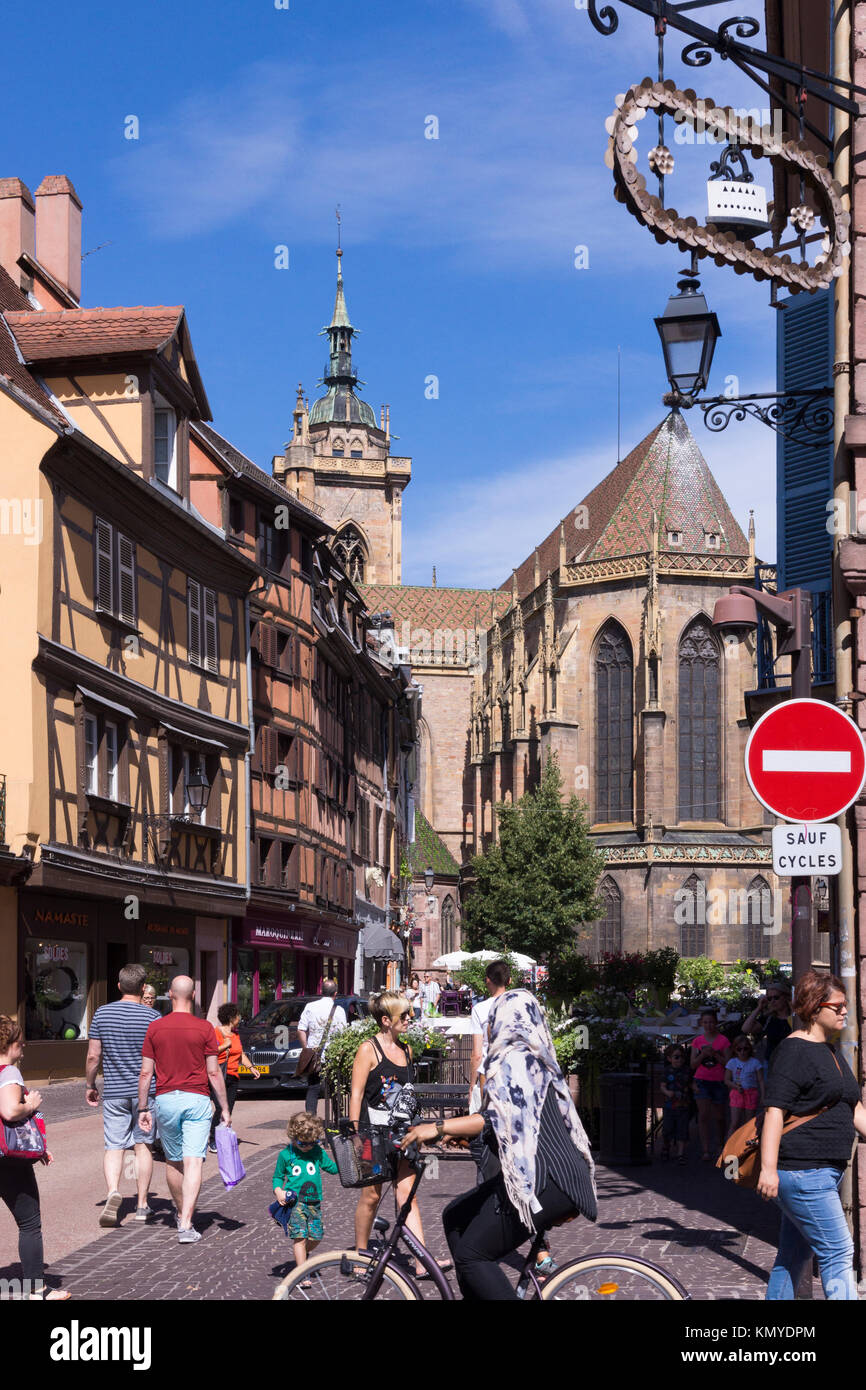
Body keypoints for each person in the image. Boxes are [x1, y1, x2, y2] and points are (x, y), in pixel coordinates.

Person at [402, 989, 597, 1301]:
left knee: (472, 1254)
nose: (490, 1027)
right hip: (549, 1178)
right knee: (455, 1216)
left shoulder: (518, 1060)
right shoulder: (534, 1057)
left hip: (549, 1182)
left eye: (493, 1020)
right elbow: (513, 1124)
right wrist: (455, 1133)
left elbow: (493, 1118)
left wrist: (436, 1127)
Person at [758, 971, 866, 1301]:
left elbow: (854, 1108)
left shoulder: (830, 1052)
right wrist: (768, 1169)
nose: (845, 1011)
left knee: (792, 1258)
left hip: (821, 1173)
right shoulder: (793, 1051)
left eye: (847, 1004)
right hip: (803, 1172)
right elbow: (774, 1111)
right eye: (839, 1005)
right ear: (814, 1007)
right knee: (838, 1251)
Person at [349, 990, 449, 1278]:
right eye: (403, 1015)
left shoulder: (407, 1050)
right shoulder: (368, 1049)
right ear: (385, 1020)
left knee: (409, 1196)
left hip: (402, 1133)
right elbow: (356, 1094)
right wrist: (356, 1134)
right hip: (372, 1134)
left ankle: (420, 1262)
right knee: (371, 1195)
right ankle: (360, 1255)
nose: (409, 1019)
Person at [137, 975, 231, 1243]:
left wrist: (143, 1107)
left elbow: (145, 1074)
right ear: (192, 996)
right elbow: (214, 1073)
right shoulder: (204, 1029)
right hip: (197, 1100)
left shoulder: (155, 1028)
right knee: (193, 1161)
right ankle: (187, 1223)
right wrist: (224, 1107)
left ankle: (180, 1212)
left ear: (170, 994)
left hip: (166, 1100)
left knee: (173, 1160)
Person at [0, 1015, 70, 1299]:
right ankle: (36, 1289)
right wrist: (29, 1104)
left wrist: (38, 1147)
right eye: (20, 1041)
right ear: (11, 1044)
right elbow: (9, 1112)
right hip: (8, 1159)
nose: (24, 1045)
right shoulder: (9, 1073)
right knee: (29, 1223)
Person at [85, 963, 161, 1225]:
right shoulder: (153, 1018)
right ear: (143, 988)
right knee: (143, 1146)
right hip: (145, 1094)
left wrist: (90, 1084)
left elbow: (94, 1055)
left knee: (114, 1146)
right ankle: (142, 1205)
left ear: (119, 986)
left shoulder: (102, 1014)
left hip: (115, 1092)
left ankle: (113, 1192)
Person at [272, 1111, 339, 1287]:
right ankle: (302, 1273)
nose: (307, 1147)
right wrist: (278, 1191)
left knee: (316, 1237)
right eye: (303, 1143)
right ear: (293, 1137)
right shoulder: (286, 1155)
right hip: (295, 1204)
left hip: (314, 1202)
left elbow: (331, 1168)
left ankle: (302, 1255)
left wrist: (345, 1162)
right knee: (300, 1238)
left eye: (312, 1142)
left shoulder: (316, 1151)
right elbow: (278, 1177)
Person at [208, 1003, 260, 1152]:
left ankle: (222, 1137)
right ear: (232, 1017)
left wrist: (251, 1068)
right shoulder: (215, 1032)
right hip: (219, 1076)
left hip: (233, 1077)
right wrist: (225, 1045)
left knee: (228, 1109)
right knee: (219, 1108)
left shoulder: (236, 1034)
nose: (240, 1018)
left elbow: (240, 1054)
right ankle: (212, 1138)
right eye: (238, 1015)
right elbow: (210, 1051)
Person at [297, 980, 347, 1116]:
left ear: (321, 991)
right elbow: (343, 1034)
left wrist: (306, 1048)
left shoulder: (310, 1007)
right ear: (335, 994)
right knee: (334, 1090)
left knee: (313, 1089)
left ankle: (310, 1121)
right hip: (332, 1055)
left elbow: (301, 1029)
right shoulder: (339, 1010)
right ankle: (338, 1119)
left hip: (314, 1055)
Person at [689, 1009, 731, 1161]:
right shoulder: (697, 1041)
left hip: (719, 1081)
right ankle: (705, 1149)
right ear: (701, 1023)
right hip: (702, 1080)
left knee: (719, 1116)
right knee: (704, 1115)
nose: (708, 1025)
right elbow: (693, 1064)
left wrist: (715, 1054)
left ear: (716, 1023)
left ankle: (720, 1144)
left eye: (711, 1022)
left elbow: (729, 1063)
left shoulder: (723, 1041)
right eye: (705, 1022)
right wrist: (703, 1054)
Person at [742, 982, 792, 1074]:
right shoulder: (769, 1018)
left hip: (791, 1064)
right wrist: (759, 1008)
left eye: (776, 997)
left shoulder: (795, 1017)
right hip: (771, 1063)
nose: (772, 1001)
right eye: (769, 998)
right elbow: (746, 1029)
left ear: (785, 997)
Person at [725, 1034, 765, 1138]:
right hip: (737, 1093)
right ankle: (729, 1147)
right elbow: (726, 1080)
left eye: (745, 1049)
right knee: (735, 1122)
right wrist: (735, 1087)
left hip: (751, 1093)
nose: (742, 1052)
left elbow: (761, 1080)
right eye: (739, 1049)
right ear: (735, 1049)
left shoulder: (755, 1062)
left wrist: (763, 1095)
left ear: (749, 1049)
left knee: (749, 1123)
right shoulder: (732, 1062)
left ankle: (745, 1145)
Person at [660, 1044, 691, 1163]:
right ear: (669, 1058)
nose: (680, 1060)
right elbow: (662, 1086)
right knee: (667, 1128)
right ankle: (666, 1146)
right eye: (676, 1057)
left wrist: (695, 1088)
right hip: (669, 1105)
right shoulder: (667, 1071)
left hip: (684, 1104)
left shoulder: (686, 1071)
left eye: (682, 1057)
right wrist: (668, 1092)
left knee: (682, 1129)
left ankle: (680, 1153)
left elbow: (690, 1083)